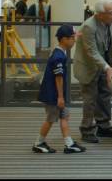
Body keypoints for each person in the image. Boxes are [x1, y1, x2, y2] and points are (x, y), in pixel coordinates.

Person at [73, 0, 112, 143]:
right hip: (89, 67)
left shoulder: (111, 23)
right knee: (90, 100)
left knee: (104, 96)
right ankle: (87, 129)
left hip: (104, 65)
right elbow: (92, 52)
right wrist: (107, 67)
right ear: (100, 14)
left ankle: (103, 126)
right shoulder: (89, 26)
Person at [32, 25, 86, 154]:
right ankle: (39, 143)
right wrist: (60, 97)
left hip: (55, 94)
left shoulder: (59, 52)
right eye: (72, 38)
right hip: (53, 95)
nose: (74, 41)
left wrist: (77, 35)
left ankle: (69, 143)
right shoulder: (59, 57)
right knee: (51, 119)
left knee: (64, 116)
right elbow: (59, 78)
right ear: (63, 39)